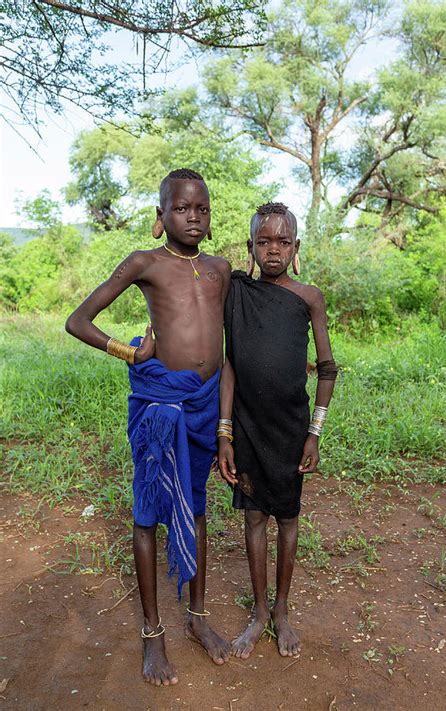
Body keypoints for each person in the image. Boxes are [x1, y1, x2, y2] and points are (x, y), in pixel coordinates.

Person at [65, 168, 232, 686]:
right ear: (160, 217)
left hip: (205, 405)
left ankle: (198, 619)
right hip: (161, 402)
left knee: (197, 506)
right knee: (146, 513)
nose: (194, 217)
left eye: (202, 208)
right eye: (182, 209)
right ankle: (153, 633)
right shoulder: (146, 263)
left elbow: (229, 351)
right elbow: (79, 320)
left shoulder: (221, 268)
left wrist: (226, 426)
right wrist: (128, 351)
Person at [218, 202, 337, 660]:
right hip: (247, 425)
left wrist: (315, 432)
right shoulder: (236, 292)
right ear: (250, 247)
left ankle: (283, 611)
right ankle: (260, 613)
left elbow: (326, 370)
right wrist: (224, 432)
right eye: (263, 242)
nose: (273, 250)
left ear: (296, 247)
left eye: (282, 242)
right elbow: (230, 364)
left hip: (290, 428)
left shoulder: (308, 297)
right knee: (253, 518)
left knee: (287, 518)